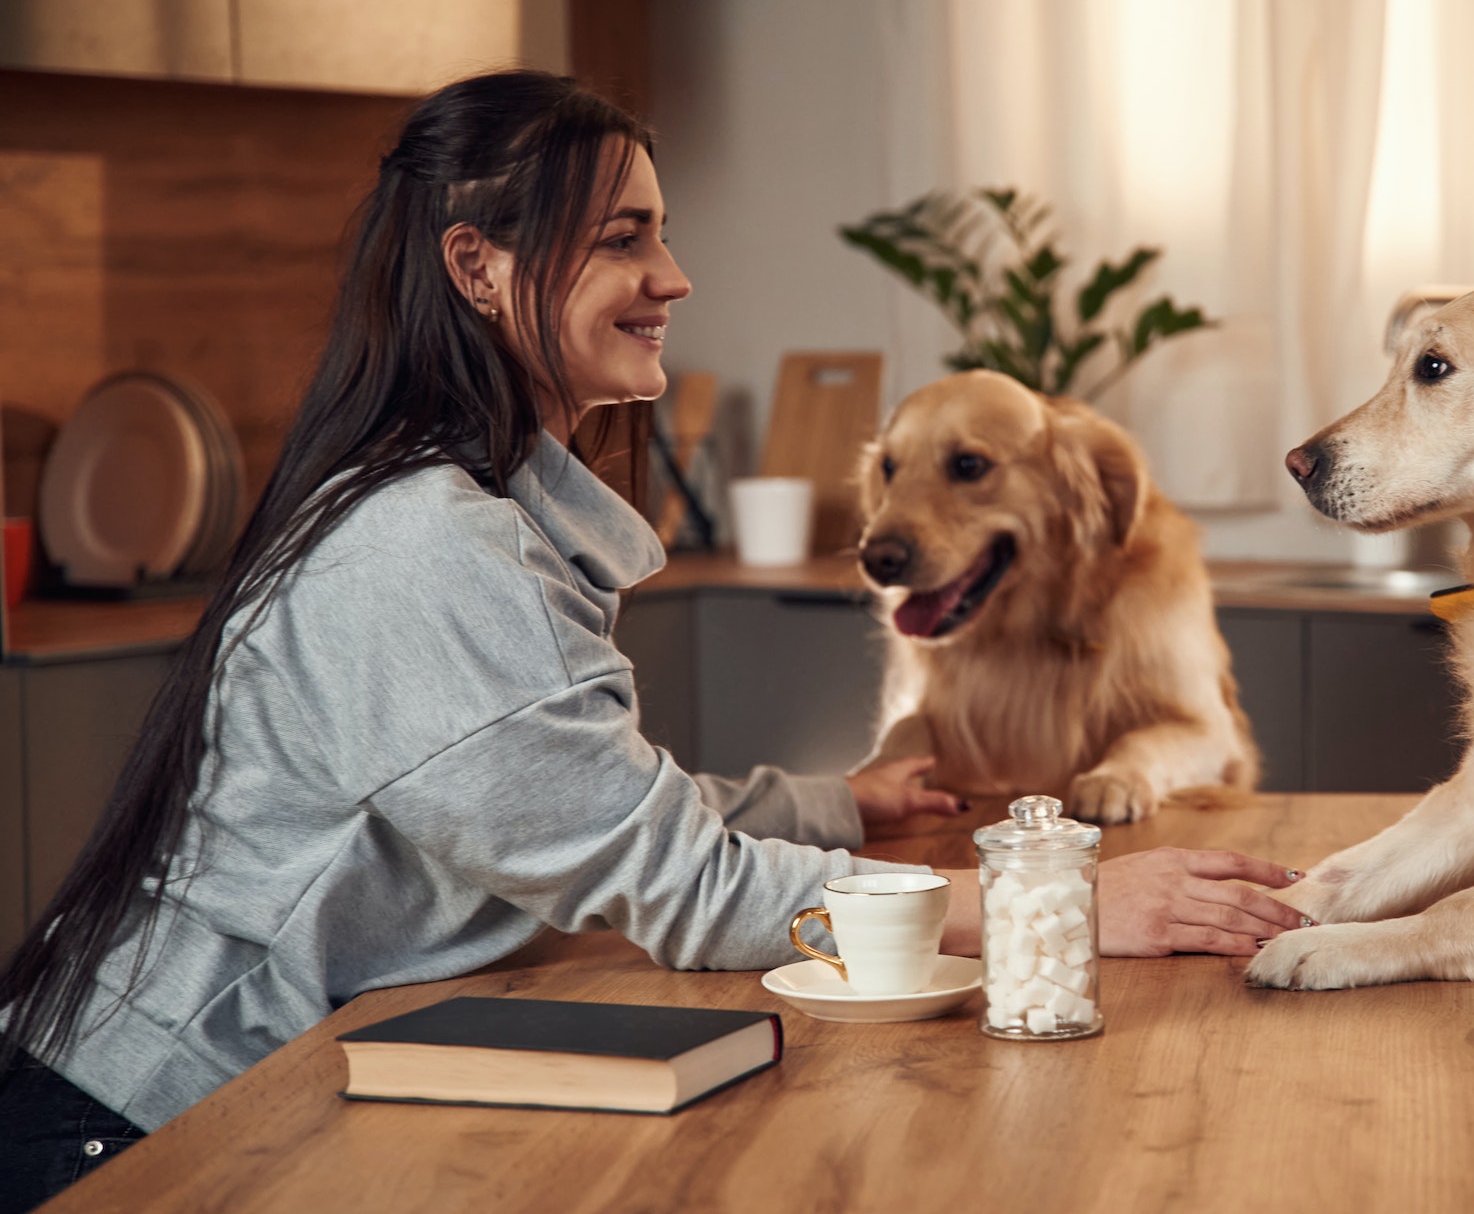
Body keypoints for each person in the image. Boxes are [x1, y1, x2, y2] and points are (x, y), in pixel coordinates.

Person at [0, 71, 1307, 1211]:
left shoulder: (473, 509)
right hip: (143, 1125)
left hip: (233, 1085)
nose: (674, 278)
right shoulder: (425, 550)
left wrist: (830, 804)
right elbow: (685, 896)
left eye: (662, 235)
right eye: (627, 240)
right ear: (479, 268)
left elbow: (586, 811)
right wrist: (1061, 906)